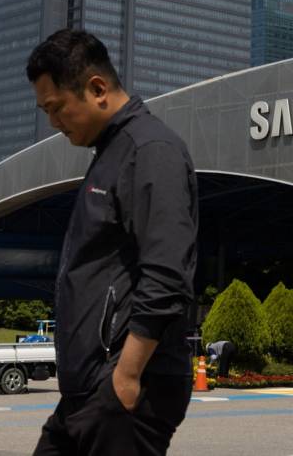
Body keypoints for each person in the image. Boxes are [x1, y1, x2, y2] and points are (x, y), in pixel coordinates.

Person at [29, 30, 198, 456]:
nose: (53, 123)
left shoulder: (150, 150)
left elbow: (166, 273)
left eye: (56, 108)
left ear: (97, 88)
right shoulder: (111, 153)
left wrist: (125, 376)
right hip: (89, 389)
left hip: (128, 388)